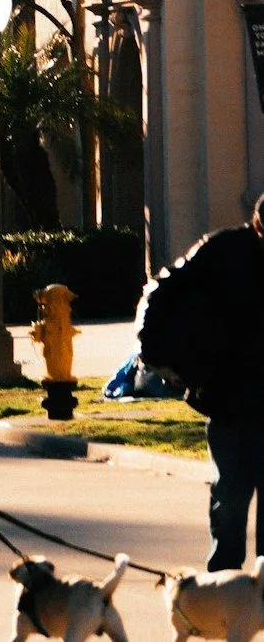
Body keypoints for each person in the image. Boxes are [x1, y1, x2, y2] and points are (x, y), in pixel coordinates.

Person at [137, 189, 264, 569]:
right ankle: (223, 579)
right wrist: (158, 354)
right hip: (228, 395)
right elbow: (163, 292)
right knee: (231, 494)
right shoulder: (222, 249)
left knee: (234, 493)